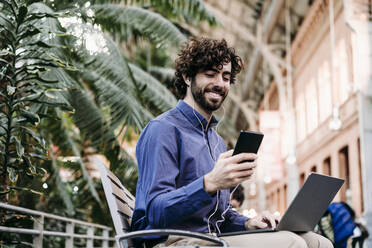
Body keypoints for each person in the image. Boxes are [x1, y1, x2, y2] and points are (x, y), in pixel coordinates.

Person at [131, 37, 332, 248]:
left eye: (226, 77)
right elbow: (154, 212)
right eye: (210, 74)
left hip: (211, 239)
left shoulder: (216, 141)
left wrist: (247, 223)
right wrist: (209, 183)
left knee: (318, 242)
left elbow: (219, 216)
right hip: (174, 241)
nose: (219, 83)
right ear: (188, 77)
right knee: (292, 243)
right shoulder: (163, 130)